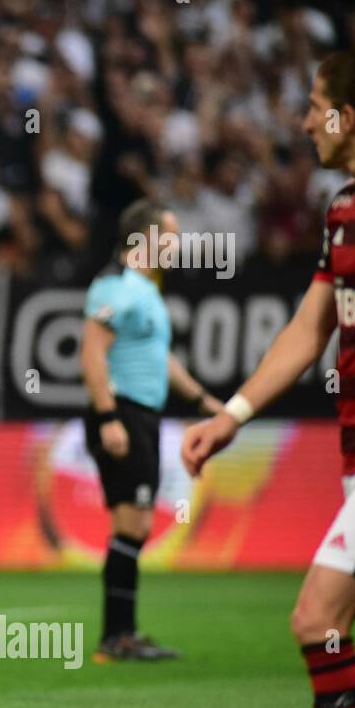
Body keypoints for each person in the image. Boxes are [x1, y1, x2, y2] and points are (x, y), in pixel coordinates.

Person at [183, 48, 355, 708]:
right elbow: (308, 329)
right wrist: (231, 415)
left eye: (314, 104)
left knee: (316, 619)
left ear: (350, 113)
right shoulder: (343, 211)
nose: (304, 121)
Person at [80, 198, 222, 662]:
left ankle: (123, 634)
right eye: (170, 235)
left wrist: (203, 401)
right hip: (122, 411)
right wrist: (108, 418)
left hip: (141, 414)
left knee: (135, 524)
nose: (176, 245)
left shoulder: (145, 288)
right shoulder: (116, 286)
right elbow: (91, 352)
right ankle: (116, 637)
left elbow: (160, 359)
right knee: (132, 522)